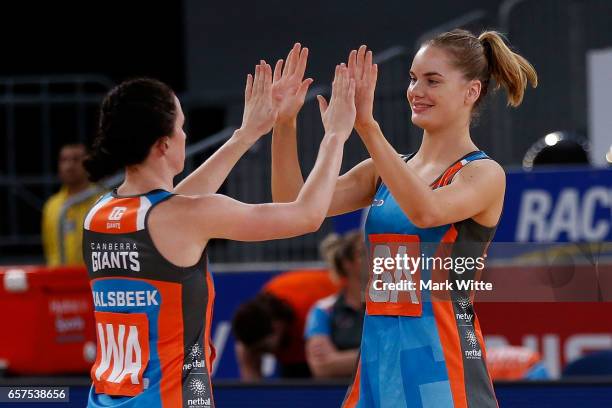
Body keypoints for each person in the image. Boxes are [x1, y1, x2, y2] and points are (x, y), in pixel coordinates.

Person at [271, 32, 537, 407]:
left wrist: (367, 127)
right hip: (378, 367)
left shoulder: (483, 173)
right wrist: (284, 124)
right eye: (413, 78)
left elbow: (425, 210)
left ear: (471, 91)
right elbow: (291, 207)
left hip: (443, 369)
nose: (415, 90)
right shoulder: (381, 170)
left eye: (432, 80)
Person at [82, 55, 356, 407]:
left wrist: (248, 133)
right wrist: (335, 135)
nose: (185, 135)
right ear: (163, 145)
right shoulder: (188, 215)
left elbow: (174, 203)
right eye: (181, 127)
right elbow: (306, 216)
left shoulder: (98, 214)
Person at [232, 269, 338, 379]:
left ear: (276, 327)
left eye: (264, 348)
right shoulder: (266, 304)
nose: (262, 353)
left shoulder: (315, 312)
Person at [304, 231, 365, 378]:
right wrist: (381, 354)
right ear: (347, 263)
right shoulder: (323, 310)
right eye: (364, 252)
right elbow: (322, 367)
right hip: (339, 397)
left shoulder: (395, 305)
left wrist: (340, 358)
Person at [42, 143, 100, 266]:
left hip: (94, 280)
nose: (69, 166)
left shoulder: (102, 201)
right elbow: (50, 250)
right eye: (64, 160)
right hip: (60, 279)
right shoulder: (51, 205)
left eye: (76, 159)